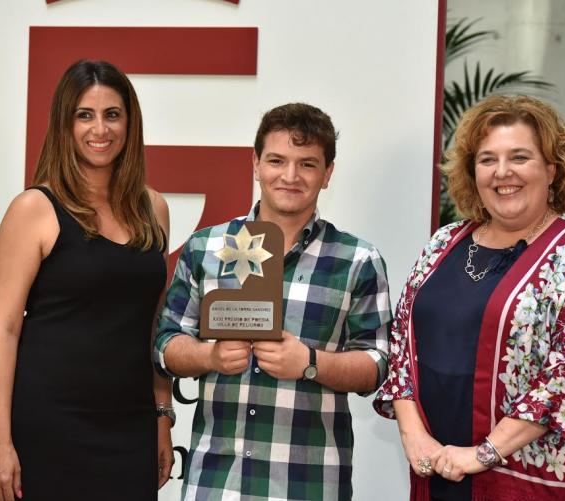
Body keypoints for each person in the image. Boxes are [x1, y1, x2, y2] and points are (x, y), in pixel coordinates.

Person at [374, 94, 565, 501]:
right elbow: (402, 347)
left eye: (520, 157)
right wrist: (413, 435)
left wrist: (484, 453)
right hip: (439, 469)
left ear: (552, 169)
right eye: (487, 159)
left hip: (532, 481)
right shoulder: (443, 243)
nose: (502, 172)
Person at [156, 102, 392, 500]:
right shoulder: (207, 248)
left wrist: (311, 364)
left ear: (328, 173)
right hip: (215, 482)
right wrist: (210, 358)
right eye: (277, 160)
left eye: (307, 164)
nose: (290, 176)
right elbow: (165, 344)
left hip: (309, 482)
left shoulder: (357, 260)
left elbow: (378, 363)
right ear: (255, 163)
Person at [0, 60, 175, 501]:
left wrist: (162, 414)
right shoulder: (34, 208)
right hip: (50, 424)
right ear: (64, 123)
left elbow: (155, 326)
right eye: (84, 115)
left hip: (129, 425)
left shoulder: (154, 209)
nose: (99, 129)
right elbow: (4, 328)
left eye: (112, 114)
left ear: (130, 122)